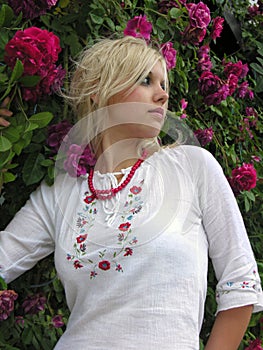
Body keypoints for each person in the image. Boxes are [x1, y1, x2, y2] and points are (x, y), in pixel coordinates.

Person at [0, 36, 262, 350]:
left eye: (164, 84)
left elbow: (240, 284)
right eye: (146, 80)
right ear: (99, 92)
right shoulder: (60, 192)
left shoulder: (191, 168)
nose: (162, 94)